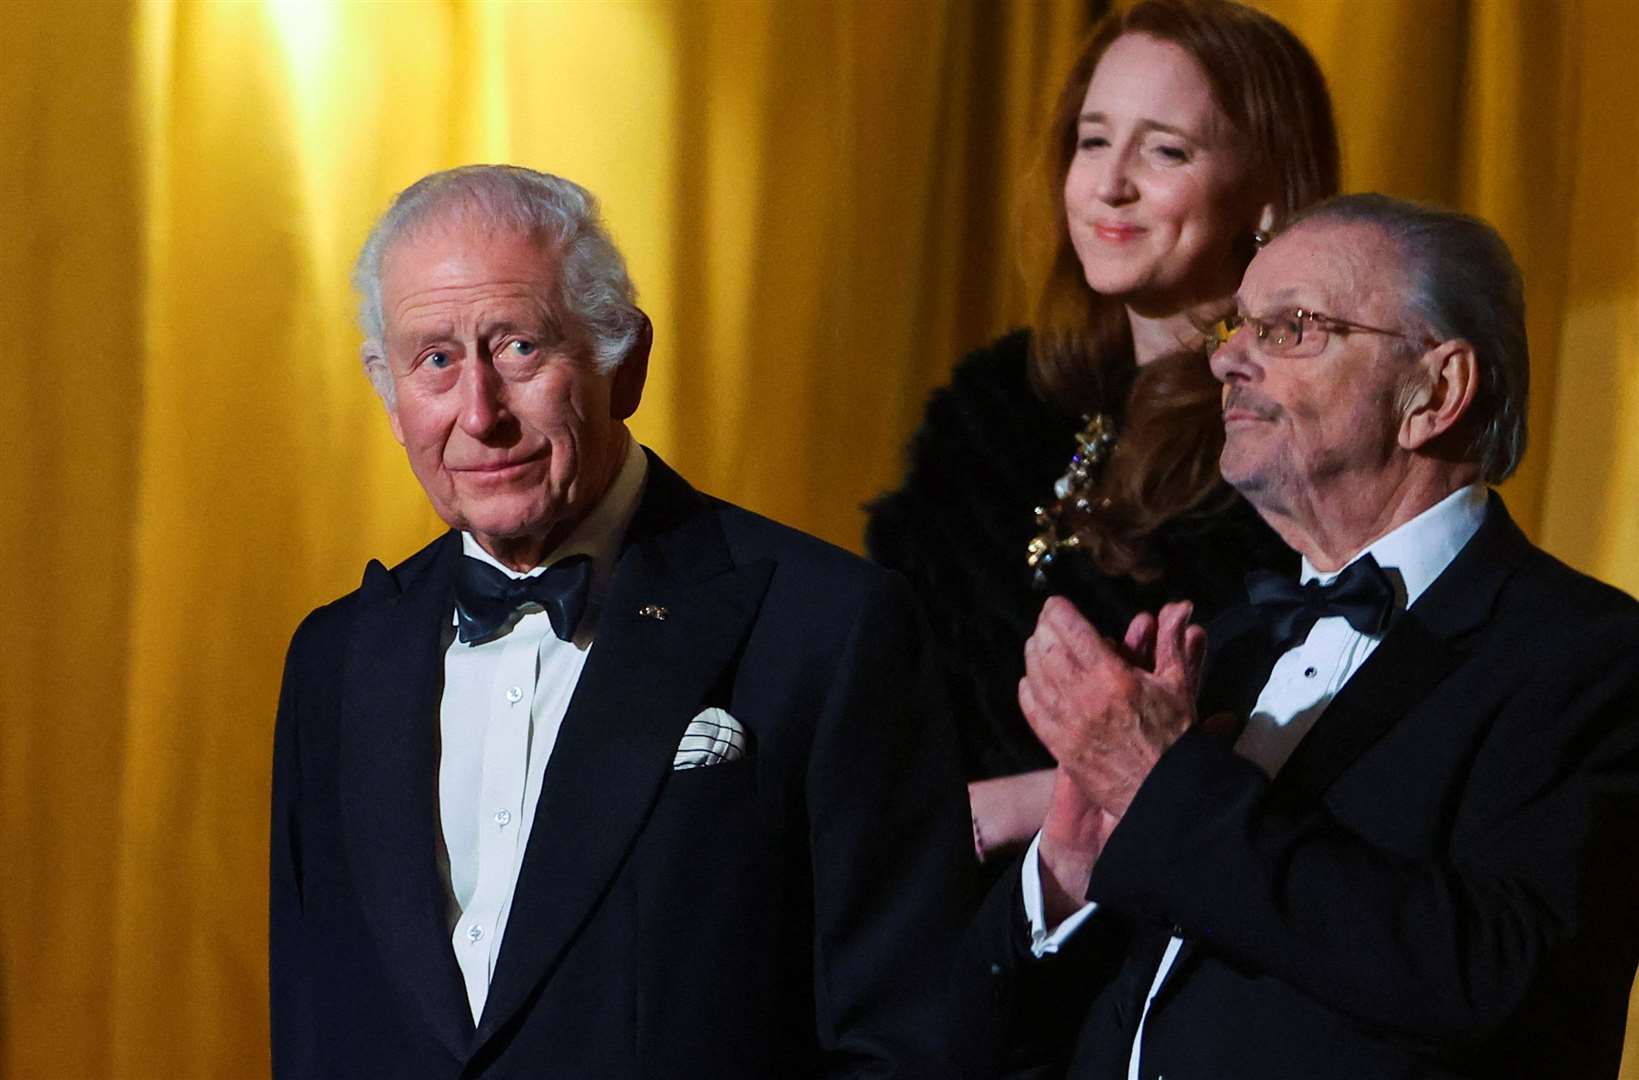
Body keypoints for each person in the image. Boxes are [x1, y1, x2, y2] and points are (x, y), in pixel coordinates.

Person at [268, 165, 976, 1078]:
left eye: (519, 347)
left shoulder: (828, 629)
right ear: (387, 388)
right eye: (435, 359)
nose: (478, 414)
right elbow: (312, 1036)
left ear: (624, 363)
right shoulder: (333, 659)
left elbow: (905, 1044)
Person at [960, 194, 1639, 1078]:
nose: (1227, 360)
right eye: (1236, 328)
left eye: (1289, 329)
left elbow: (1498, 980)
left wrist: (1167, 794)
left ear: (1434, 392)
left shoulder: (1585, 657)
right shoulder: (1223, 647)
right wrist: (1062, 881)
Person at [865, 0, 1339, 865]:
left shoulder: (1299, 429)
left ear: (1266, 193)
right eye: (1091, 140)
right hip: (944, 898)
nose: (1109, 183)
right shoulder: (995, 403)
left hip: (1164, 913)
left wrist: (1027, 804)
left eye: (1166, 150)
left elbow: (1308, 736)